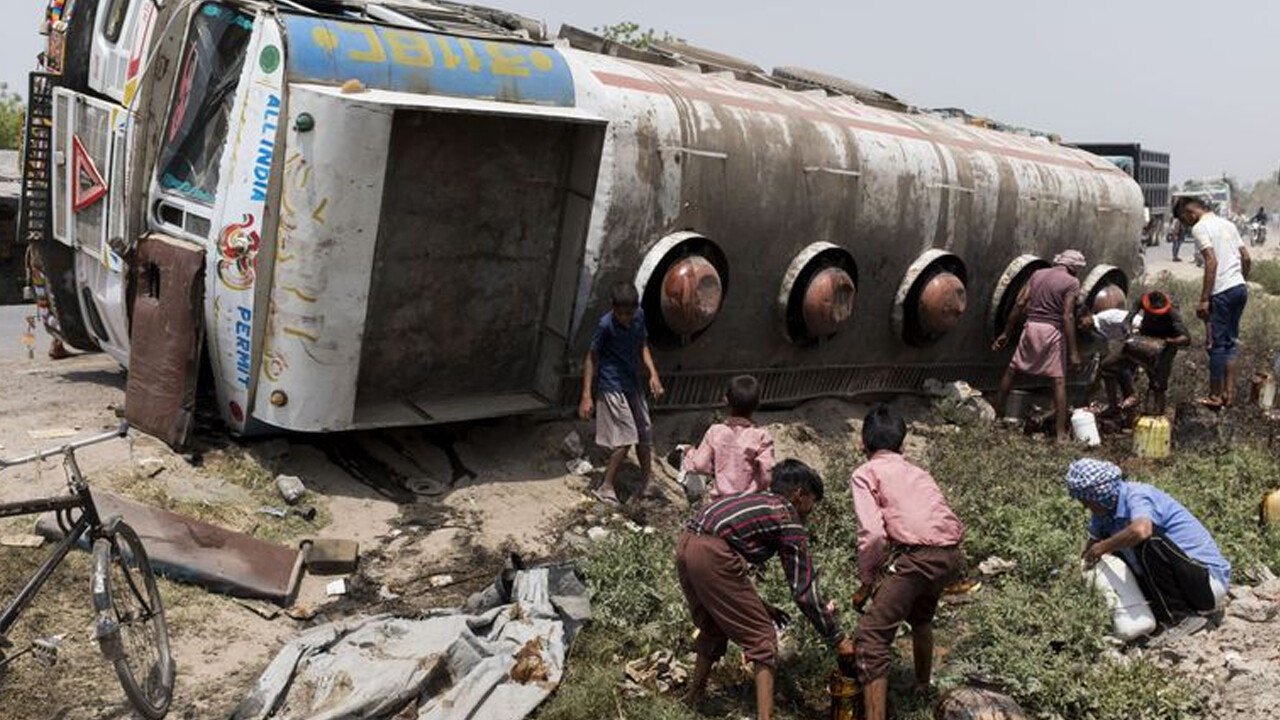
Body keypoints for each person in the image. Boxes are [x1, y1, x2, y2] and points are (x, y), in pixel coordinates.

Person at [677, 459, 854, 720]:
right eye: (812, 503)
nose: (811, 512)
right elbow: (804, 589)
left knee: (713, 625)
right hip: (711, 554)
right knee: (763, 639)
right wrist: (838, 637)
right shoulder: (787, 515)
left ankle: (694, 696)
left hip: (686, 545)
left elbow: (731, 576)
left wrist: (763, 606)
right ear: (799, 494)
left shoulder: (758, 501)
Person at [849, 406, 965, 720]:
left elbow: (872, 535)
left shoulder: (865, 473)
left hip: (917, 559)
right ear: (902, 445)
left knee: (871, 637)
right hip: (951, 555)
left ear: (864, 444)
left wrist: (867, 579)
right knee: (921, 616)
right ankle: (923, 685)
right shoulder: (918, 471)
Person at [1065, 459, 1230, 637]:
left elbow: (1141, 531)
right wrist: (1073, 575)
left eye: (1087, 501)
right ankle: (1164, 619)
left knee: (1143, 539)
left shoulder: (1136, 495)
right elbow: (1090, 552)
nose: (1084, 506)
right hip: (1179, 587)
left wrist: (1102, 547)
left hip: (1205, 584)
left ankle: (1182, 618)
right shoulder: (1104, 513)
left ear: (1099, 493)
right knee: (1115, 546)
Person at [578, 282, 664, 504]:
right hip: (612, 383)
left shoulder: (639, 317)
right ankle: (605, 486)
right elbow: (591, 357)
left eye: (629, 313)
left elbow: (643, 345)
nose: (625, 318)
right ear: (612, 308)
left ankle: (646, 482)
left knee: (644, 431)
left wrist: (653, 374)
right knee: (626, 437)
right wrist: (586, 395)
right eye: (621, 314)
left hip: (632, 383)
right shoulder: (605, 325)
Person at [992, 249, 1086, 441]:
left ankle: (997, 416)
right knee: (1058, 381)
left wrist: (1006, 332)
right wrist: (1074, 352)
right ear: (1073, 267)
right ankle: (1060, 434)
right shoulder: (1072, 282)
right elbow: (1067, 315)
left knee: (1012, 370)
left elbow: (1020, 303)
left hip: (1031, 328)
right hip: (1051, 332)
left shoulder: (1037, 274)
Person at [1175, 196, 1251, 408]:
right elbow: (1246, 258)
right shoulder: (1228, 224)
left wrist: (1204, 299)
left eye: (1184, 219)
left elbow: (1211, 261)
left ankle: (1215, 396)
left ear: (1190, 212)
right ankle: (1229, 393)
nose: (1186, 224)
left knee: (1217, 345)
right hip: (1239, 289)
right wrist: (1240, 280)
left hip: (1222, 292)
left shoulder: (1200, 228)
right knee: (1230, 342)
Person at [681, 375, 776, 499]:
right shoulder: (762, 436)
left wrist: (691, 454)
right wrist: (752, 490)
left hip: (721, 503)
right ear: (758, 404)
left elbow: (700, 465)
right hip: (751, 503)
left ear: (725, 401)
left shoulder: (715, 431)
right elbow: (766, 476)